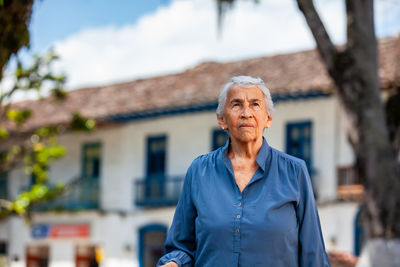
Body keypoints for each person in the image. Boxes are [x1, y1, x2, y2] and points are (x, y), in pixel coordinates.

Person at [157, 76, 331, 267]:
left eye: (255, 104)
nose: (246, 113)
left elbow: (313, 254)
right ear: (222, 120)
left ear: (268, 119)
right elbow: (180, 247)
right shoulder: (199, 172)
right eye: (236, 104)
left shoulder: (294, 172)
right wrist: (174, 263)